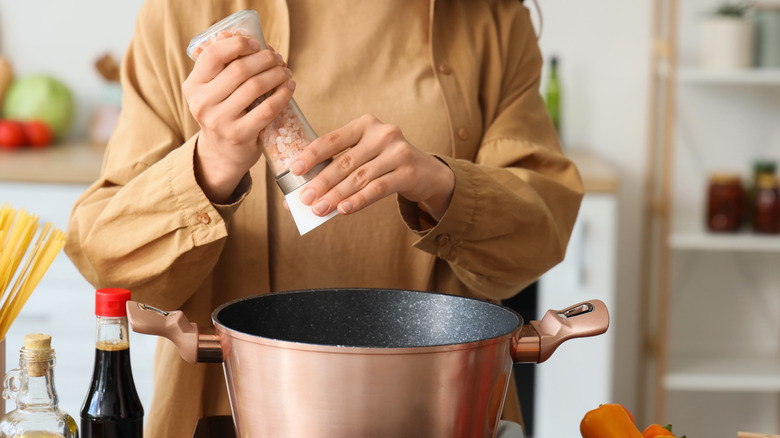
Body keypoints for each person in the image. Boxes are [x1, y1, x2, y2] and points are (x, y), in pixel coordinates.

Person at [64, 0, 584, 436]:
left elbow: (539, 237)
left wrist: (441, 183)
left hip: (441, 411)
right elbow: (112, 269)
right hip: (224, 410)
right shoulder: (187, 12)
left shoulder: (489, 19)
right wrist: (212, 163)